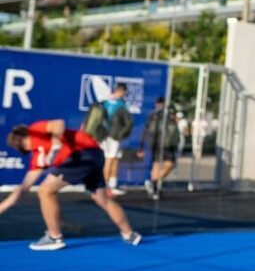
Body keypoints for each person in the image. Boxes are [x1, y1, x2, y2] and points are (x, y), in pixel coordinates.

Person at [0, 119, 143, 250]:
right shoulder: (38, 157)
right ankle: (129, 234)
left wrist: (56, 143)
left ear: (20, 139)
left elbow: (59, 123)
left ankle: (54, 237)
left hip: (82, 154)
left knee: (44, 191)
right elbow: (23, 188)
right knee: (102, 199)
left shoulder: (35, 130)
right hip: (95, 156)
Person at [86, 82, 133, 196]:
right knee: (109, 159)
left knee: (115, 158)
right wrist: (118, 134)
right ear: (121, 91)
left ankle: (112, 184)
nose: (124, 94)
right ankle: (104, 186)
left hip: (111, 136)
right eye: (124, 92)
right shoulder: (114, 103)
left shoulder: (110, 102)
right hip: (110, 136)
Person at [138, 97, 179, 199]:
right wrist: (142, 146)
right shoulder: (161, 114)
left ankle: (154, 187)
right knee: (168, 164)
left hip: (157, 143)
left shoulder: (157, 114)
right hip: (163, 143)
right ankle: (154, 183)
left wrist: (142, 145)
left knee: (157, 165)